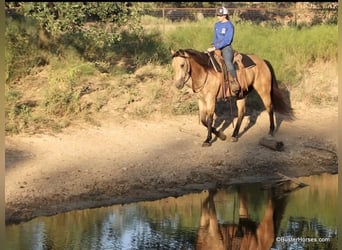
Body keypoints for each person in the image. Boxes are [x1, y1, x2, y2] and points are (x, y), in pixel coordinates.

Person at [207, 7, 240, 95]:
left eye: (220, 15)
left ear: (225, 15)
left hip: (226, 47)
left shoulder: (229, 25)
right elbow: (216, 37)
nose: (218, 17)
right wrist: (214, 44)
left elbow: (227, 40)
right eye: (218, 15)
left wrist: (215, 47)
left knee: (228, 62)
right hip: (216, 46)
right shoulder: (217, 25)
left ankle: (234, 80)